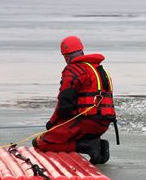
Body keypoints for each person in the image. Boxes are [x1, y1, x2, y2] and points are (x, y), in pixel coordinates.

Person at [32, 36, 117, 164]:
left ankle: (88, 146)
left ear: (65, 56)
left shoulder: (73, 70)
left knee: (40, 143)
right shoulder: (99, 70)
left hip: (85, 124)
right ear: (81, 51)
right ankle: (96, 143)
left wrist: (52, 123)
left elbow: (65, 104)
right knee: (62, 135)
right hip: (103, 125)